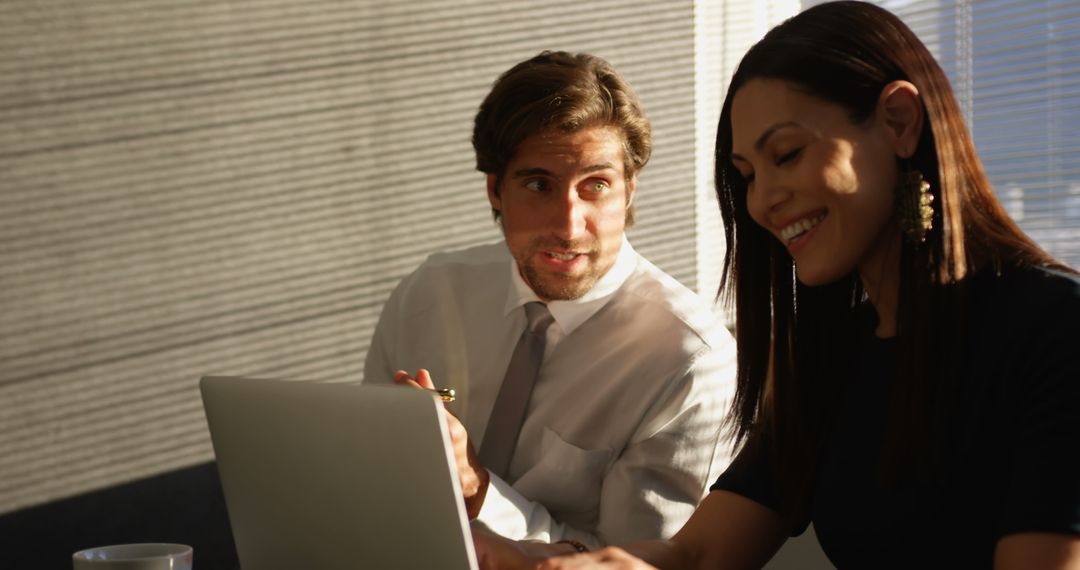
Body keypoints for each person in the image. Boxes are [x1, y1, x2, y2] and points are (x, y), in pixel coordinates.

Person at [473, 2, 1080, 568]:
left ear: (899, 122)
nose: (762, 201)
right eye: (747, 175)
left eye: (786, 155)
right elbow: (699, 556)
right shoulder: (834, 355)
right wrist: (547, 560)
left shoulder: (1055, 327)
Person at [363, 50, 738, 551]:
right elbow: (371, 482)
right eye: (539, 184)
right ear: (496, 190)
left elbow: (630, 564)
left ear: (628, 190)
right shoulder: (429, 295)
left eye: (596, 186)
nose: (567, 226)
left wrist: (477, 489)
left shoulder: (689, 363)